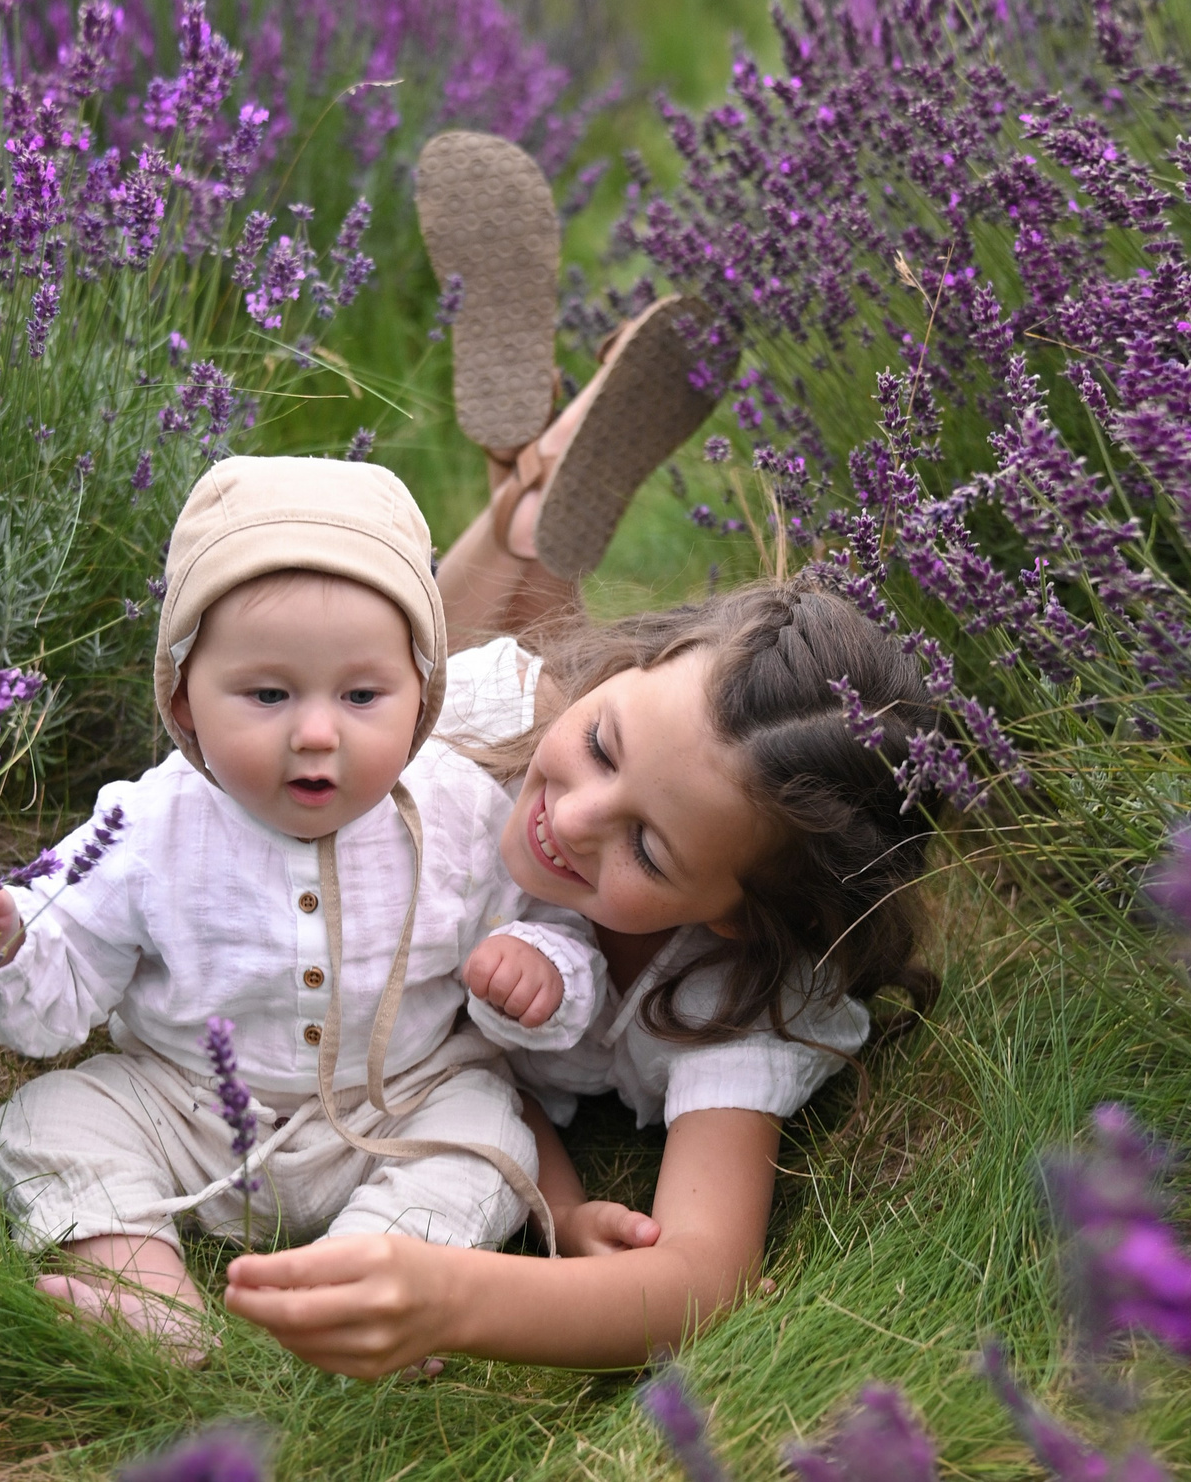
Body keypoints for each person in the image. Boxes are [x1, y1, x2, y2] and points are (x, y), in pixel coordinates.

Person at [218, 134, 940, 1374]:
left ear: (732, 910)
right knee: (375, 699)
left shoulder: (726, 1000)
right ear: (619, 679)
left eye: (648, 847)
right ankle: (526, 516)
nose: (575, 820)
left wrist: (460, 1291)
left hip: (559, 744)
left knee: (483, 710)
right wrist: (578, 736)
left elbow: (699, 1278)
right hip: (498, 717)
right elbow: (549, 725)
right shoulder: (539, 737)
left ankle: (535, 494)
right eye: (604, 746)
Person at [0, 455, 606, 1351]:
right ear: (184, 699)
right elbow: (70, 966)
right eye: (269, 694)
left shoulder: (461, 815)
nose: (316, 732)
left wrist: (540, 969)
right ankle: (146, 1295)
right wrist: (6, 948)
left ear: (423, 699)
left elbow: (554, 925)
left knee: (487, 1134)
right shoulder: (148, 824)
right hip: (188, 1107)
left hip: (391, 1107)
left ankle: (371, 1280)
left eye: (363, 695)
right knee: (47, 1121)